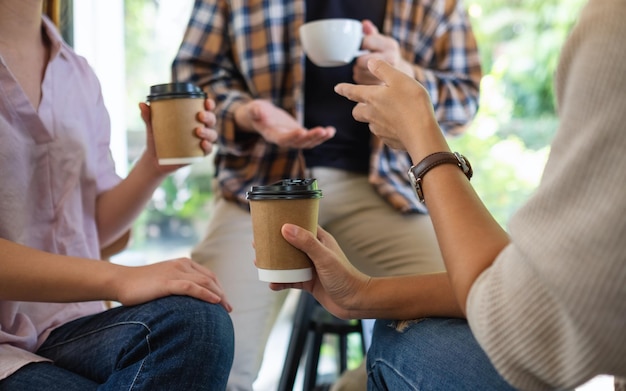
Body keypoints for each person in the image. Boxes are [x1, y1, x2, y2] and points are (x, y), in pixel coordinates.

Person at [269, 0, 626, 389]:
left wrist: (418, 122)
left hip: (385, 190)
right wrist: (360, 294)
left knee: (406, 340)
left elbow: (534, 324)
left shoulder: (613, 27)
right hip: (261, 181)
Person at [172, 0, 482, 389]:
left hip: (383, 190)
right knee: (203, 345)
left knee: (478, 312)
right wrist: (246, 112)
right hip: (262, 189)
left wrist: (405, 76)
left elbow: (465, 100)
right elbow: (192, 73)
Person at [0, 1, 234, 389]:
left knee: (199, 322)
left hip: (72, 328)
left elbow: (97, 230)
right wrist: (120, 279)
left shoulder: (77, 74)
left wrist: (153, 165)